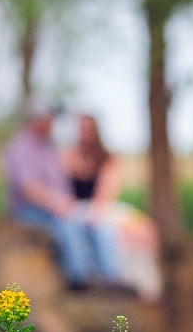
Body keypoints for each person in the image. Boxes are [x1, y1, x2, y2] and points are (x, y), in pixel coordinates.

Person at [3, 104, 121, 289]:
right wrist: (58, 204)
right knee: (68, 224)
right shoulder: (21, 149)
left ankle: (109, 278)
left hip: (55, 207)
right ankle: (80, 279)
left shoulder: (48, 149)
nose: (53, 124)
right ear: (38, 121)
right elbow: (29, 188)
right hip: (29, 211)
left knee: (91, 224)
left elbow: (62, 186)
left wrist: (66, 203)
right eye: (50, 119)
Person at [63, 113, 163, 302]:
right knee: (110, 231)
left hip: (100, 208)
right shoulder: (68, 157)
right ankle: (113, 277)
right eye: (81, 129)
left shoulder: (108, 159)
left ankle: (150, 289)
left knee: (144, 229)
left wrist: (96, 213)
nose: (84, 133)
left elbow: (105, 195)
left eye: (88, 129)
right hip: (77, 209)